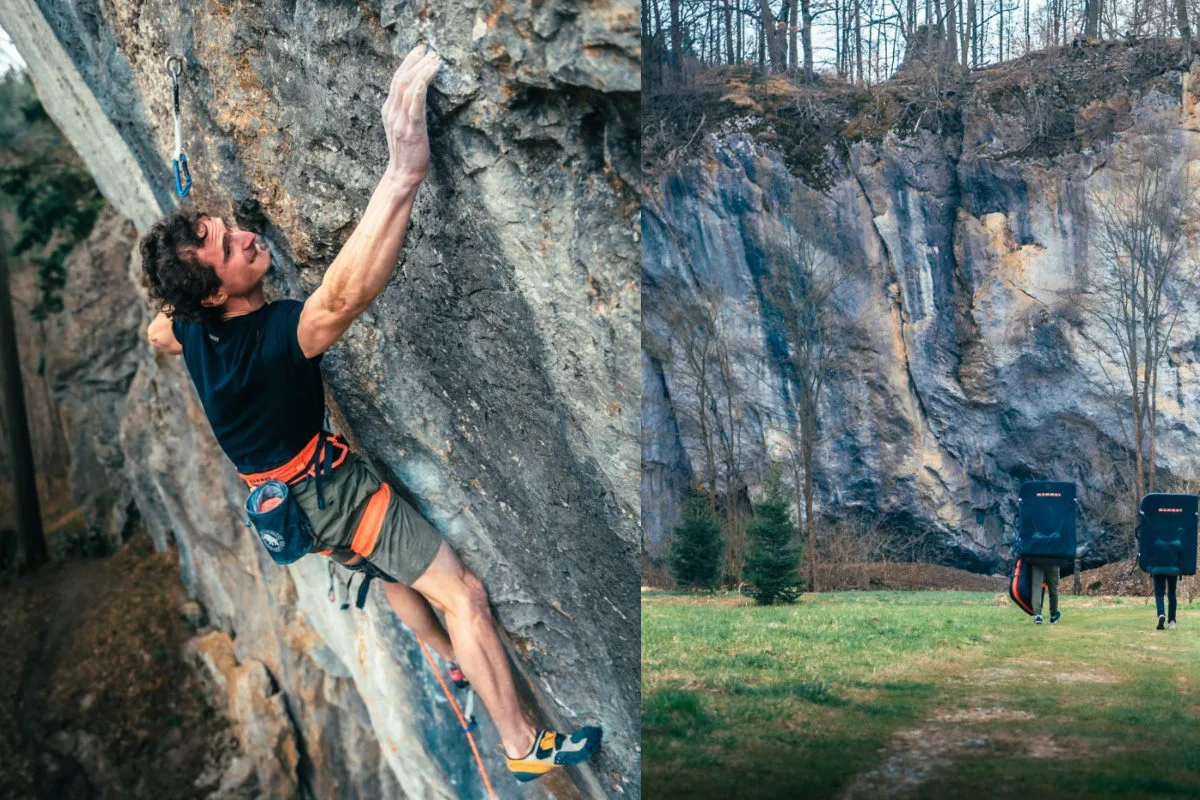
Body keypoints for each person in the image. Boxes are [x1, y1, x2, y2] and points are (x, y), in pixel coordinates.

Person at [140, 44, 600, 783]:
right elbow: (342, 297)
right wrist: (403, 170)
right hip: (330, 497)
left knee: (394, 574)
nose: (247, 235)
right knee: (461, 592)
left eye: (228, 228)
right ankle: (521, 743)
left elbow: (158, 329)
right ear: (218, 295)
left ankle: (443, 657)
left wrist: (174, 305)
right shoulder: (269, 341)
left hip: (285, 500)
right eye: (231, 248)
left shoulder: (189, 327)